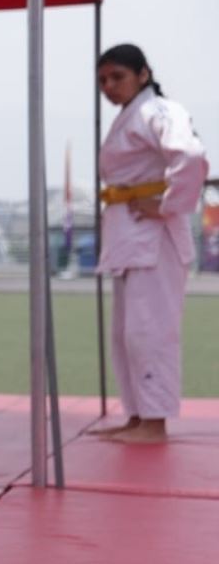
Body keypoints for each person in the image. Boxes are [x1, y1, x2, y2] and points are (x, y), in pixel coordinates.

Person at [90, 44, 208, 444]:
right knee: (126, 335)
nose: (109, 86)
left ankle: (155, 423)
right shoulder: (131, 116)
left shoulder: (159, 110)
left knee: (150, 332)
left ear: (143, 74)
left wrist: (169, 204)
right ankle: (138, 415)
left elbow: (190, 155)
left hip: (155, 238)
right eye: (103, 80)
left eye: (118, 77)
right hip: (129, 234)